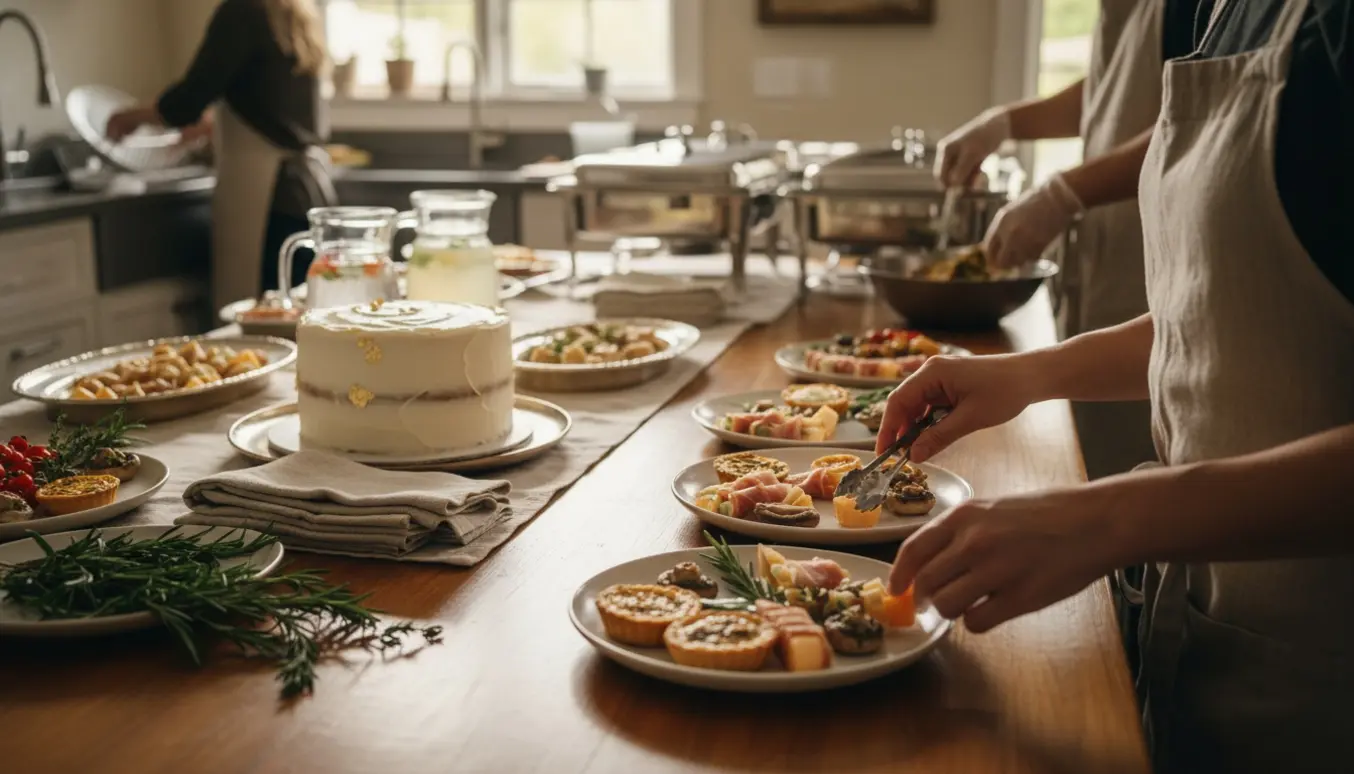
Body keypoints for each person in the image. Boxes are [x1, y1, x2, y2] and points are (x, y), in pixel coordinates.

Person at [880, 0, 1354, 771]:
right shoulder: (1231, 17)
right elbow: (1230, 325)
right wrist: (1029, 375)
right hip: (1203, 641)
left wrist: (1111, 519)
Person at [933, 0, 1208, 484]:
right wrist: (1006, 123)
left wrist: (1065, 193)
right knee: (1094, 457)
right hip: (1105, 261)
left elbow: (1195, 120)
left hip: (1152, 261)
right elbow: (1110, 93)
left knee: (1137, 465)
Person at [106, 0, 336, 310]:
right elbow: (272, 106)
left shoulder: (243, 10)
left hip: (264, 198)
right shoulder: (294, 12)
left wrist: (132, 116)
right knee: (296, 312)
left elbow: (189, 98)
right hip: (301, 194)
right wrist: (213, 124)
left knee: (257, 316)